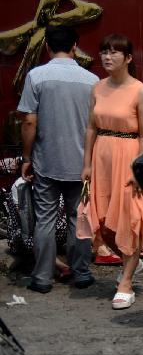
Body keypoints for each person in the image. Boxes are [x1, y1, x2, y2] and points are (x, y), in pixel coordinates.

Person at [16, 25, 96, 294]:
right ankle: (82, 273)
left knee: (46, 220)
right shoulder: (92, 81)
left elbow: (29, 121)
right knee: (79, 218)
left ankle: (42, 278)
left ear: (47, 47)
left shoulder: (36, 76)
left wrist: (26, 157)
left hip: (47, 161)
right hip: (82, 163)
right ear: (75, 46)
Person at [81, 34, 143, 309]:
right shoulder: (97, 88)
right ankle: (130, 263)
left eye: (113, 52)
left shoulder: (141, 91)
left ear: (128, 58)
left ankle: (126, 282)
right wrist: (87, 164)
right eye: (103, 52)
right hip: (102, 156)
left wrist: (139, 170)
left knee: (129, 220)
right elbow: (91, 127)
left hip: (128, 156)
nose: (107, 57)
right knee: (101, 220)